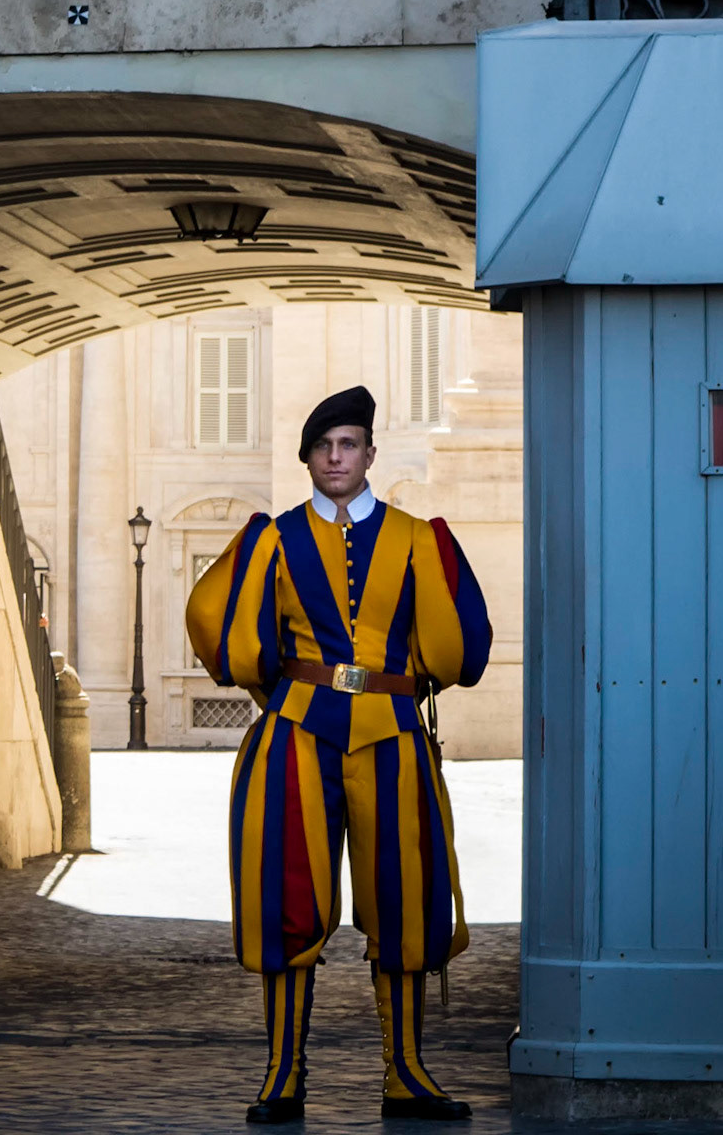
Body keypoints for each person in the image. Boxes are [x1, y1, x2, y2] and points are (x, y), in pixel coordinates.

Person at [186, 385, 492, 1123]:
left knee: (406, 900)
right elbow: (230, 635)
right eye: (323, 447)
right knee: (286, 900)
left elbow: (459, 648)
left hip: (393, 733)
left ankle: (407, 1074)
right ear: (308, 459)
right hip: (297, 733)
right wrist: (284, 692)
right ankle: (282, 1074)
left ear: (369, 453)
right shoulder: (273, 539)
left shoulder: (418, 538)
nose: (335, 457)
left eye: (348, 444)